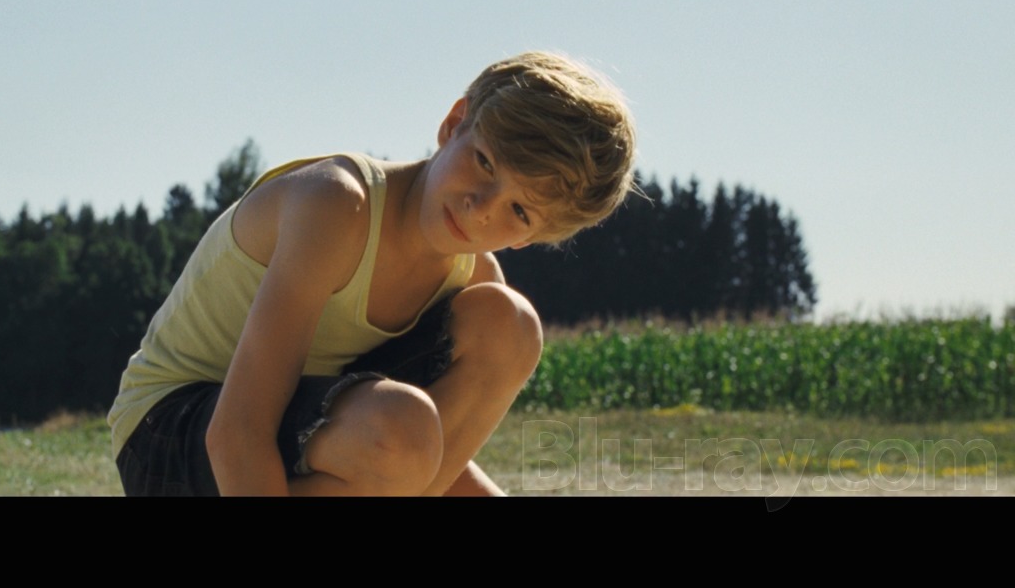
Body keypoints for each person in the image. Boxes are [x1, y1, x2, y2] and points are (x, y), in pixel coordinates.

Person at [107, 51, 639, 496]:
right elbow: (238, 432)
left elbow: (423, 459)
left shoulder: (472, 278)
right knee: (401, 425)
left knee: (510, 325)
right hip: (168, 434)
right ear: (453, 123)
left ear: (530, 238)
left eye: (519, 211)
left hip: (301, 433)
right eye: (484, 162)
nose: (480, 208)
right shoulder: (337, 205)